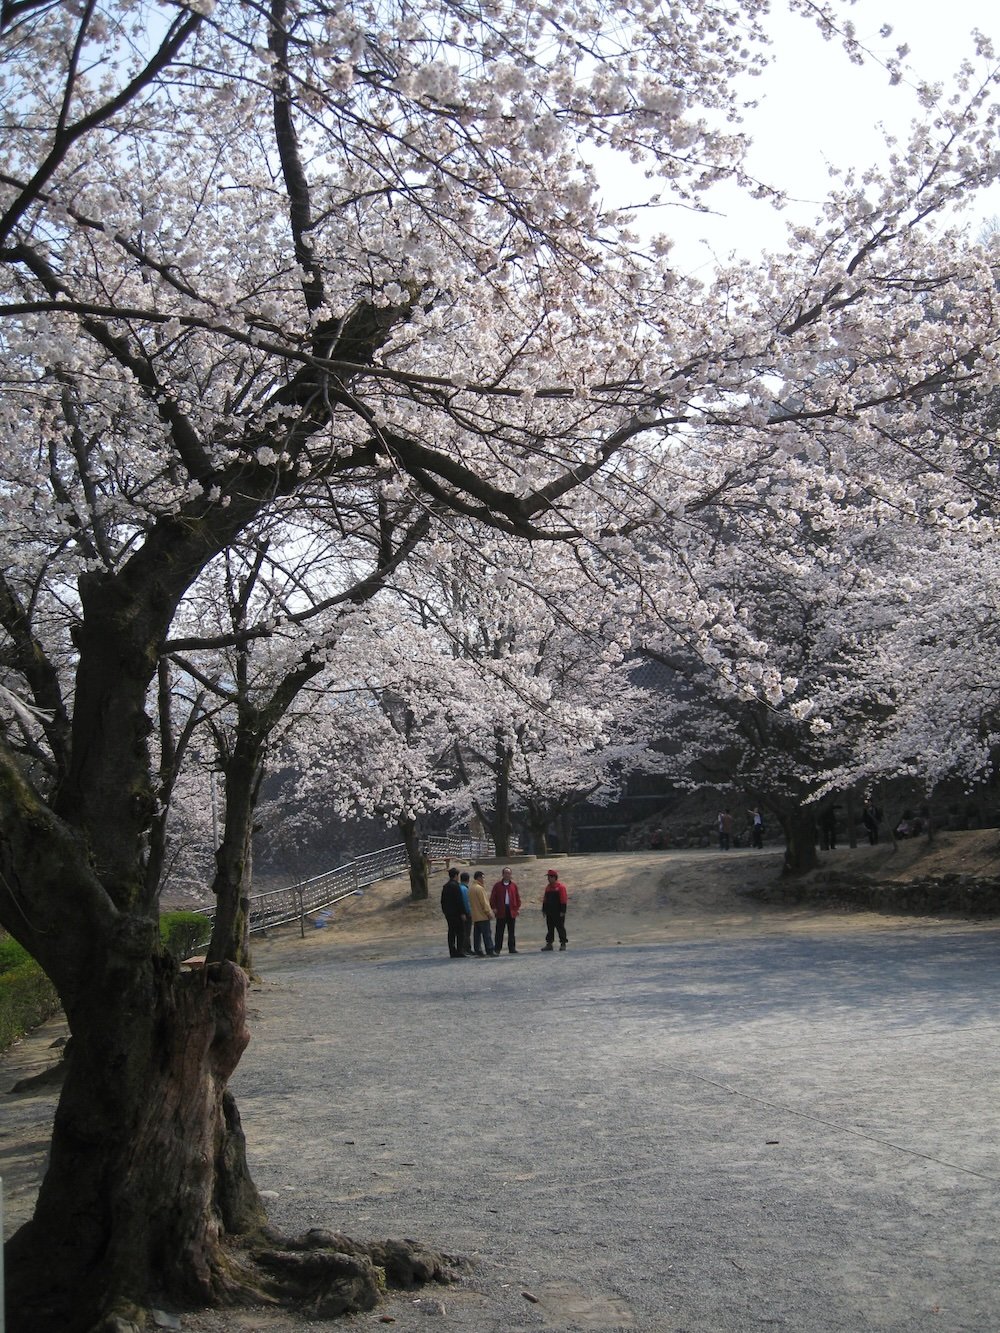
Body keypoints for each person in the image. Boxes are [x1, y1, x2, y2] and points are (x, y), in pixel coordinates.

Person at [490, 866, 521, 954]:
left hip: (511, 910)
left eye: (509, 873)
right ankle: (497, 948)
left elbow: (517, 897)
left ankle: (512, 948)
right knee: (499, 931)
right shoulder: (497, 885)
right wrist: (494, 908)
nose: (507, 875)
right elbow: (493, 898)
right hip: (501, 910)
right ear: (503, 874)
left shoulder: (513, 885)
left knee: (511, 931)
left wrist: (517, 908)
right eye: (506, 873)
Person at [440, 868, 469, 958]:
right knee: (461, 932)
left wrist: (445, 911)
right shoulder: (456, 886)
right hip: (457, 913)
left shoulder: (445, 886)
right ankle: (460, 950)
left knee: (451, 932)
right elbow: (459, 901)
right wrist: (463, 913)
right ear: (456, 876)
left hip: (449, 913)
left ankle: (452, 951)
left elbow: (442, 901)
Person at [540, 869, 569, 951]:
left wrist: (563, 911)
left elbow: (563, 899)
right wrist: (544, 910)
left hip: (558, 912)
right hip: (549, 912)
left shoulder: (561, 887)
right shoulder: (548, 888)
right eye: (548, 877)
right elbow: (545, 899)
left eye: (549, 877)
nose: (548, 879)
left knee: (560, 928)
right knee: (550, 929)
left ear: (554, 877)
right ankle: (549, 944)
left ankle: (563, 943)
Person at [469, 870, 496, 956]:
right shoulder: (480, 888)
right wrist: (489, 913)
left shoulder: (471, 888)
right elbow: (484, 902)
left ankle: (478, 950)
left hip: (475, 916)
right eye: (483, 877)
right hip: (482, 916)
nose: (484, 879)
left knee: (477, 935)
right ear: (479, 878)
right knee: (487, 934)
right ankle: (490, 950)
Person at [458, 871, 475, 954]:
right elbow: (466, 902)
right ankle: (466, 948)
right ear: (468, 880)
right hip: (466, 913)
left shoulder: (459, 887)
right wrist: (469, 912)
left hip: (460, 913)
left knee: (463, 931)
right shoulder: (465, 889)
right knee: (467, 932)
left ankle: (464, 948)